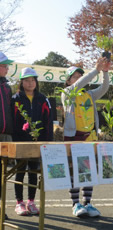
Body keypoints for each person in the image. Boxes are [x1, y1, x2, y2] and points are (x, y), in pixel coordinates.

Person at [61, 57, 110, 217]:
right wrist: (95, 70)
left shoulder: (89, 95)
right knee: (74, 171)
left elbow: (104, 88)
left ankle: (88, 203)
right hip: (74, 138)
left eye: (79, 76)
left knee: (88, 172)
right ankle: (75, 204)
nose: (77, 79)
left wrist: (105, 72)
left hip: (90, 138)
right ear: (68, 81)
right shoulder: (68, 94)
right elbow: (78, 85)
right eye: (74, 77)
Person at [11, 67, 53, 216]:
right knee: (20, 172)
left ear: (36, 82)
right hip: (20, 143)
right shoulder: (15, 99)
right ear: (21, 83)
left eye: (32, 80)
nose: (30, 83)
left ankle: (31, 202)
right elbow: (12, 122)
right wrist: (14, 140)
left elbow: (48, 122)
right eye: (27, 80)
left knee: (33, 172)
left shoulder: (43, 99)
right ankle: (19, 203)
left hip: (38, 143)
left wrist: (48, 142)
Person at [0, 51, 14, 220]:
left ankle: (1, 209)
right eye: (4, 66)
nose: (7, 69)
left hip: (6, 136)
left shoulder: (7, 87)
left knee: (3, 176)